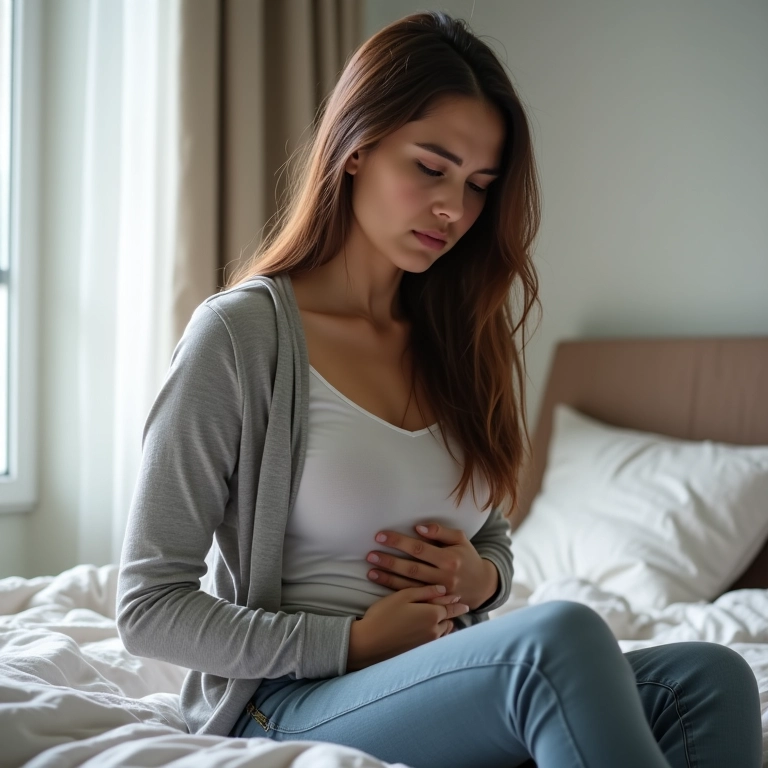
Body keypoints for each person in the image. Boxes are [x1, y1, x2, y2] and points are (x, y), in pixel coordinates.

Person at [116, 10, 763, 768]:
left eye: (478, 186)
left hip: (439, 681)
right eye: (430, 167)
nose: (453, 209)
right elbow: (146, 607)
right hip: (284, 699)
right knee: (556, 640)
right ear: (357, 147)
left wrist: (482, 578)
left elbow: (489, 533)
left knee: (710, 678)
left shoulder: (462, 338)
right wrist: (349, 641)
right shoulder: (242, 337)